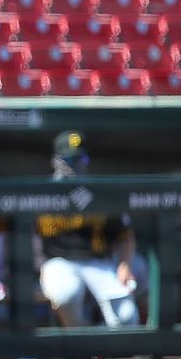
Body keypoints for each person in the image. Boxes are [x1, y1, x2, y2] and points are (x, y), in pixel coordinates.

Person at [35, 130, 138, 328]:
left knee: (126, 319)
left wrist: (124, 265)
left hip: (96, 262)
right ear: (56, 161)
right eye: (69, 160)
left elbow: (124, 234)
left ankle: (98, 349)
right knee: (66, 295)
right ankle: (79, 345)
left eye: (81, 158)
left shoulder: (99, 192)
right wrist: (39, 267)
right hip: (59, 261)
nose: (77, 165)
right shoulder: (42, 193)